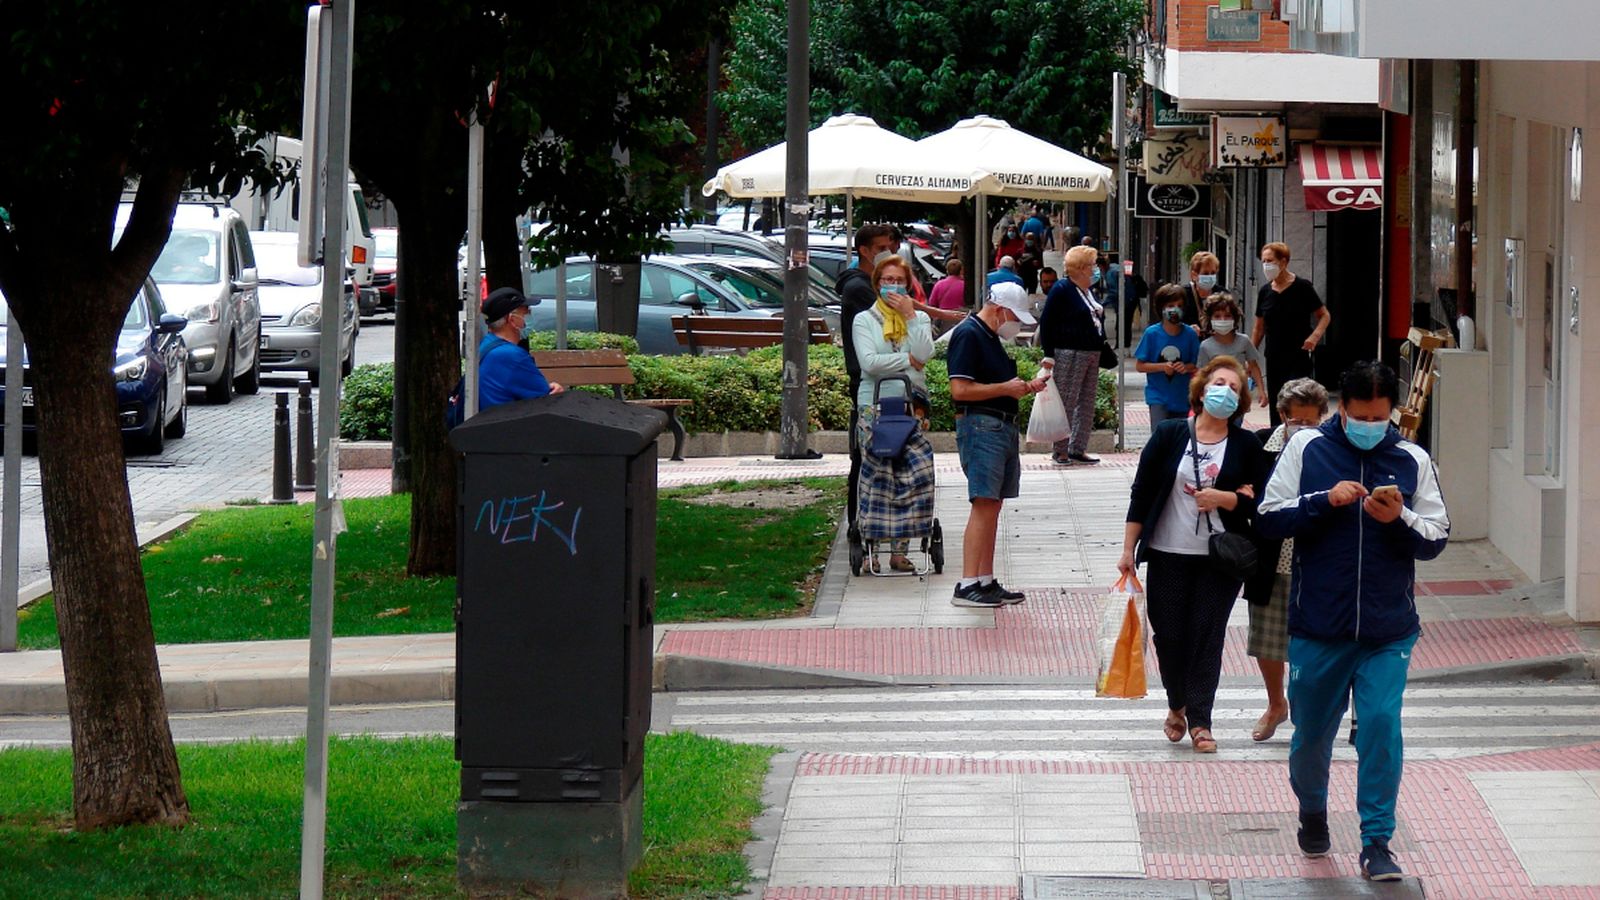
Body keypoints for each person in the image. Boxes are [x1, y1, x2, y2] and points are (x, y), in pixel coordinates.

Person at [1257, 361, 1450, 882]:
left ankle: (1377, 843)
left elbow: (1436, 537)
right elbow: (1269, 517)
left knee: (1382, 727)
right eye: (1360, 415)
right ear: (1342, 408)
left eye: (1379, 417)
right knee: (1311, 735)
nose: (1369, 425)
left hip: (1389, 629)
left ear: (1393, 414)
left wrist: (1401, 518)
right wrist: (1324, 500)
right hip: (1319, 623)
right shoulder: (1307, 448)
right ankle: (1313, 811)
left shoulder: (1412, 458)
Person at [1119, 356, 1267, 754]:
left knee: (1207, 636)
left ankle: (1201, 721)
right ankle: (1176, 704)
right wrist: (1128, 548)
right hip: (1168, 553)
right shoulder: (1169, 434)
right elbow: (1143, 491)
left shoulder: (1246, 444)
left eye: (1234, 388)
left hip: (1220, 558)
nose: (1225, 391)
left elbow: (1264, 502)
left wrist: (1228, 498)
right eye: (1219, 383)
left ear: (1241, 401)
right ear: (1202, 390)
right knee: (1169, 635)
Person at [946, 281, 1048, 608]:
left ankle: (985, 580)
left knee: (993, 504)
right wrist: (1006, 388)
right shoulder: (969, 334)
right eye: (1014, 316)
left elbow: (994, 384)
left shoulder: (988, 337)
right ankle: (967, 583)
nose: (1015, 324)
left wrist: (1024, 387)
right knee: (984, 502)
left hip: (999, 425)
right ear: (1000, 309)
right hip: (981, 425)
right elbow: (960, 391)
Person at [1243, 377, 1328, 744]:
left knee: (1316, 642)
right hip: (1271, 555)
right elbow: (1246, 490)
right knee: (1267, 637)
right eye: (1298, 421)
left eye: (1312, 422)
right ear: (1282, 416)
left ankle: (1308, 708)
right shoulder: (1261, 446)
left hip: (1317, 561)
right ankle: (1276, 704)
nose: (1305, 428)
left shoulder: (1331, 450)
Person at [853, 255, 935, 572]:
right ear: (877, 284)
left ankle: (900, 550)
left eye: (899, 281)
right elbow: (870, 363)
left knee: (910, 476)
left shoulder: (919, 318)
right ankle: (870, 547)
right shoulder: (865, 320)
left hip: (911, 402)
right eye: (887, 280)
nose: (894, 287)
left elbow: (925, 354)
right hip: (873, 403)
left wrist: (911, 318)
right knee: (876, 475)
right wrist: (907, 360)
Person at [837, 224, 899, 527]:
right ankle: (860, 524)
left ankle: (880, 519)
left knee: (887, 452)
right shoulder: (860, 289)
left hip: (886, 380)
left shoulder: (867, 285)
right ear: (864, 251)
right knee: (866, 454)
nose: (888, 253)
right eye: (881, 249)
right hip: (868, 382)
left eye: (891, 247)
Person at [1037, 245, 1105, 466]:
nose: (1095, 270)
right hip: (1070, 352)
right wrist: (1048, 354)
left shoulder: (1087, 291)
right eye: (1092, 265)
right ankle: (1061, 450)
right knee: (1067, 401)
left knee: (1086, 402)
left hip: (1091, 351)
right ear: (1083, 268)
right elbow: (1047, 323)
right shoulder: (1062, 289)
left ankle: (1078, 447)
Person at [1252, 242, 1331, 427]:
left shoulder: (1302, 287)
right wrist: (1250, 354)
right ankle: (1276, 436)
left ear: (1283, 262)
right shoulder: (1265, 292)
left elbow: (1324, 315)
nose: (1266, 266)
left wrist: (1315, 336)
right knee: (1278, 401)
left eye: (1270, 261)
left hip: (1298, 355)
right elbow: (1258, 327)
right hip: (1273, 355)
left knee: (1297, 398)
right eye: (1263, 261)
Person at [477, 287, 563, 409]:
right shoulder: (512, 356)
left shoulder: (487, 344)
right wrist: (557, 392)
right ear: (512, 320)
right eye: (526, 312)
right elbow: (548, 402)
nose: (529, 316)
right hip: (506, 425)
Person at [1133, 285, 1201, 427]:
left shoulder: (1190, 334)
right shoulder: (1151, 334)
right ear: (1161, 308)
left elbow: (1196, 364)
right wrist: (1162, 367)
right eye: (1171, 305)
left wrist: (1185, 367)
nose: (1175, 309)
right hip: (1158, 396)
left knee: (1180, 437)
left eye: (1179, 306)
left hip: (1183, 397)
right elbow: (1140, 365)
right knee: (1160, 435)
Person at [1197, 293, 1267, 410]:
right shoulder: (1206, 346)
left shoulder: (1243, 341)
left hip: (1239, 395)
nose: (1223, 319)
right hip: (1215, 397)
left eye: (1227, 316)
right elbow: (1202, 373)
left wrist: (1261, 391)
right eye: (1217, 316)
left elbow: (1253, 366)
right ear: (1210, 319)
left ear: (1234, 318)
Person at [1181, 251, 1222, 328]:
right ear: (1194, 275)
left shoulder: (1222, 295)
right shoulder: (1183, 295)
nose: (1210, 276)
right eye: (1205, 273)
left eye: (1213, 273)